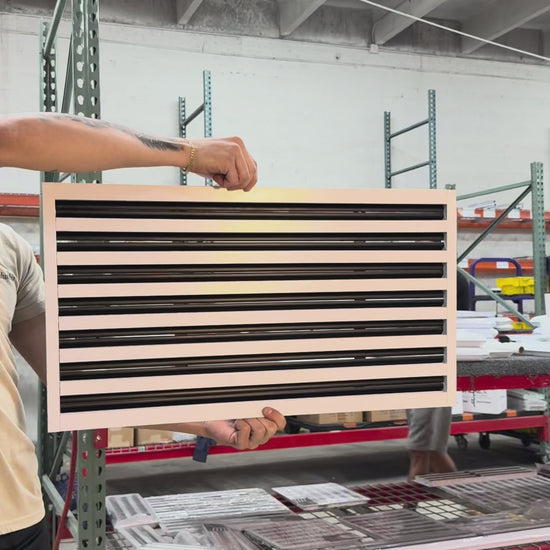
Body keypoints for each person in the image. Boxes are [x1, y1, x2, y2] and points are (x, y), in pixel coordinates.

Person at [0, 113, 286, 550]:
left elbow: (76, 378)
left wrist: (207, 421)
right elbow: (14, 137)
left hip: (18, 517)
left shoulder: (9, 250)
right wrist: (188, 153)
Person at [406, 270, 470, 482]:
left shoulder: (453, 278)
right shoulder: (415, 276)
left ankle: (415, 500)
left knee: (423, 450)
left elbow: (458, 325)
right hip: (416, 370)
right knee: (427, 451)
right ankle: (456, 495)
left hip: (434, 373)